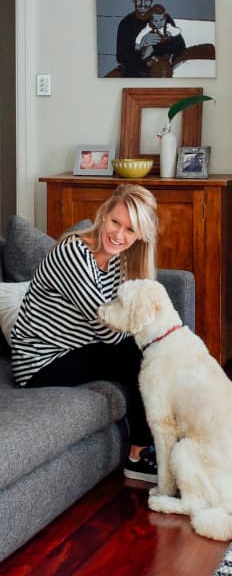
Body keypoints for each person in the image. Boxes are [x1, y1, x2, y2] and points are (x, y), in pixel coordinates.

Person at [11, 184, 160, 482]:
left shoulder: (118, 258)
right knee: (140, 353)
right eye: (116, 222)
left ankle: (173, 442)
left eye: (130, 229)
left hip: (74, 350)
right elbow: (109, 330)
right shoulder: (74, 254)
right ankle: (139, 455)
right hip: (40, 362)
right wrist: (139, 331)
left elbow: (129, 319)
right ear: (104, 214)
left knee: (155, 349)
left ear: (140, 236)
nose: (119, 235)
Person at [115, 0, 184, 77]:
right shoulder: (126, 23)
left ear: (152, 0)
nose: (143, 4)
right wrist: (142, 46)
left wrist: (159, 44)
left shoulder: (162, 17)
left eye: (147, 0)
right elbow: (121, 57)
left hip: (159, 68)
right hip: (134, 72)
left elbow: (180, 46)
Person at [134, 3, 185, 68]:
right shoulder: (148, 28)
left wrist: (170, 33)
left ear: (165, 19)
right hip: (154, 48)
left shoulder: (168, 27)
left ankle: (165, 59)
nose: (159, 23)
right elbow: (140, 37)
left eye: (161, 20)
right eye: (155, 21)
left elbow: (177, 31)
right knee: (149, 50)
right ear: (151, 21)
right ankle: (149, 61)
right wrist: (140, 43)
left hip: (166, 48)